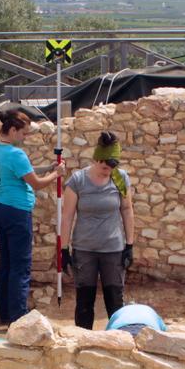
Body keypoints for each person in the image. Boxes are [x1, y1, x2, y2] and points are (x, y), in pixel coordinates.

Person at [0, 110, 65, 324]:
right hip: (17, 212)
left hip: (0, 209)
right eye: (24, 133)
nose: (25, 138)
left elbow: (25, 171)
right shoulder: (16, 154)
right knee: (20, 266)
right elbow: (36, 183)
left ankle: (5, 313)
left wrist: (48, 167)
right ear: (12, 130)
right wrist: (56, 174)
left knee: (7, 263)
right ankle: (18, 317)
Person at [60, 131, 135, 330]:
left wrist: (130, 244)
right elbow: (67, 216)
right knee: (85, 301)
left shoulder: (120, 178)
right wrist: (64, 249)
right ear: (96, 160)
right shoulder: (78, 181)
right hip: (85, 250)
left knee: (115, 300)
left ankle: (118, 341)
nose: (107, 171)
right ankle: (82, 343)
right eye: (104, 167)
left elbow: (127, 210)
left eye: (112, 167)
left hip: (113, 248)